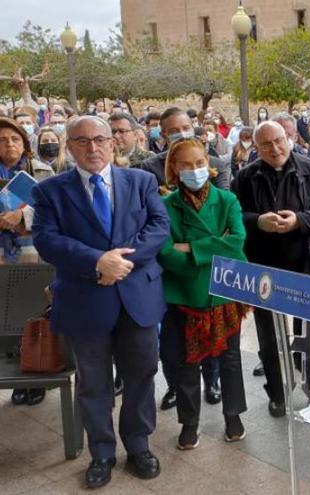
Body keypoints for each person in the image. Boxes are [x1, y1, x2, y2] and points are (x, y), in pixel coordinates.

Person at [31, 115, 170, 489]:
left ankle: (139, 445)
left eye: (99, 139)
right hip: (83, 300)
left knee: (142, 375)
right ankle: (102, 453)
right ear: (69, 146)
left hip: (137, 297)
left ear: (113, 142)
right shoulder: (50, 191)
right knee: (93, 384)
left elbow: (158, 227)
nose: (92, 147)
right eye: (81, 140)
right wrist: (96, 262)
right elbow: (46, 240)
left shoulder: (141, 181)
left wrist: (120, 263)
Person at [157, 138, 249, 450]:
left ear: (208, 164)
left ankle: (233, 415)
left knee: (231, 359)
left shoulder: (227, 200)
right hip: (184, 297)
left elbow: (237, 241)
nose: (194, 170)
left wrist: (191, 248)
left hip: (224, 293)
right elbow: (165, 254)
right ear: (174, 168)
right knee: (187, 362)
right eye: (186, 164)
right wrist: (213, 248)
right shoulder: (165, 206)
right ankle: (189, 423)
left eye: (199, 163)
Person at [232, 121, 310, 416]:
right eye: (265, 145)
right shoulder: (246, 176)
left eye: (279, 141)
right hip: (264, 265)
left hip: (305, 263)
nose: (274, 149)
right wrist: (257, 221)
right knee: (269, 334)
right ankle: (277, 393)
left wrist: (299, 220)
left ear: (289, 138)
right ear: (256, 148)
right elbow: (234, 215)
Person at [1, 117, 55, 406]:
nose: (9, 144)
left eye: (15, 139)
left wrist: (23, 216)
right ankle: (15, 376)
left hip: (35, 253)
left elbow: (58, 211)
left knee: (34, 312)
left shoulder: (44, 173)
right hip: (2, 257)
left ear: (25, 143)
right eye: (2, 140)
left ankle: (38, 375)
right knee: (7, 315)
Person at [136, 107, 231, 191]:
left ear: (193, 129)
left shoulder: (217, 165)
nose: (182, 134)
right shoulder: (151, 167)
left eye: (186, 128)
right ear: (163, 135)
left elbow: (223, 203)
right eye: (174, 131)